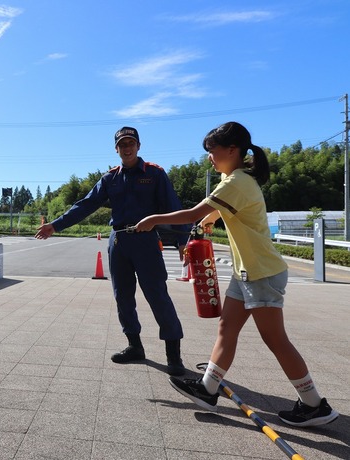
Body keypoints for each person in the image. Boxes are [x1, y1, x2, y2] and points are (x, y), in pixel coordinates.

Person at [134, 121, 339, 427]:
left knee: (275, 339)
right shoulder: (237, 180)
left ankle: (314, 405)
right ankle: (208, 389)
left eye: (212, 151)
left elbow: (193, 213)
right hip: (246, 273)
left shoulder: (236, 182)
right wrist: (210, 219)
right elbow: (216, 210)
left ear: (233, 150)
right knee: (226, 329)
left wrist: (153, 219)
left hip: (261, 273)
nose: (209, 157)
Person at [35, 126, 191, 376]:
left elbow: (172, 206)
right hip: (118, 241)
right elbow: (85, 205)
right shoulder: (110, 178)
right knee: (122, 296)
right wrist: (56, 225)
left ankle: (174, 355)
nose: (127, 147)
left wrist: (182, 240)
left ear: (139, 146)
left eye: (131, 143)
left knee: (157, 295)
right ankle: (134, 346)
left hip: (146, 241)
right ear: (116, 149)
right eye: (122, 144)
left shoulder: (155, 174)